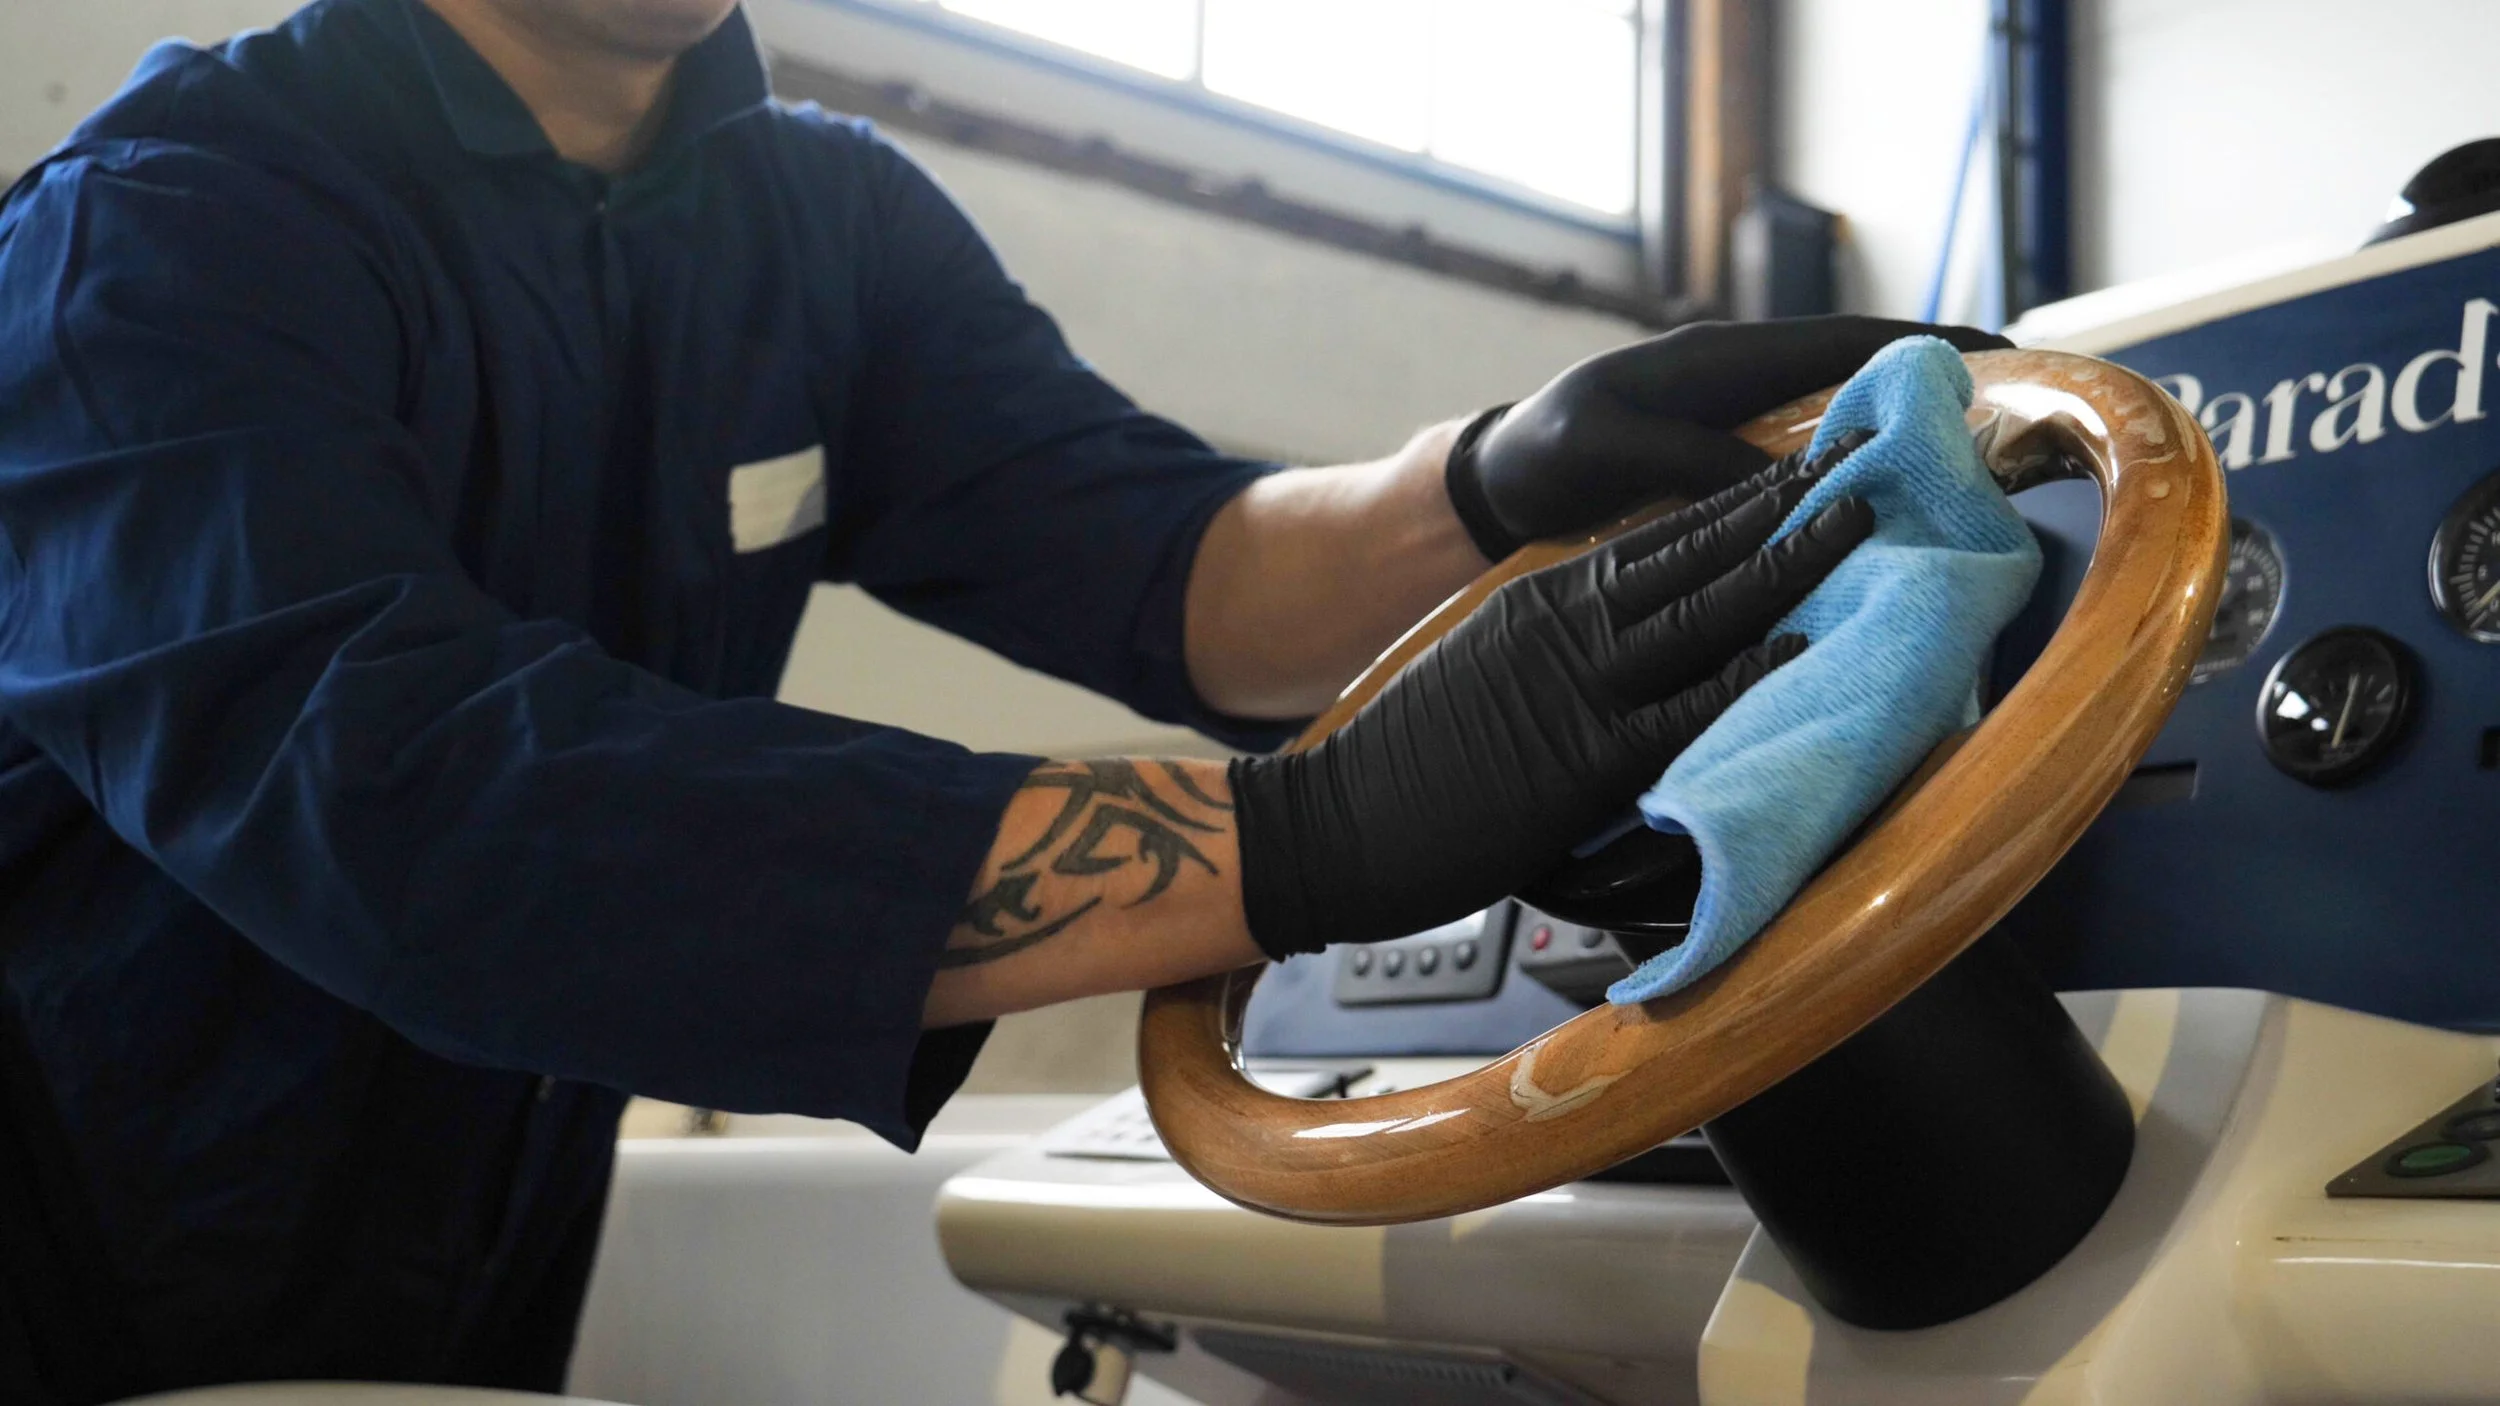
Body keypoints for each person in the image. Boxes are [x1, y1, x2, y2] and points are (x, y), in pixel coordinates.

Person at [0, 0, 2002, 1397]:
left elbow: (1169, 560)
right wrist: (1310, 836)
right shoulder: (160, 232)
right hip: (67, 1244)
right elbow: (406, 801)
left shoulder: (817, 221)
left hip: (451, 1264)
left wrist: (1477, 479)